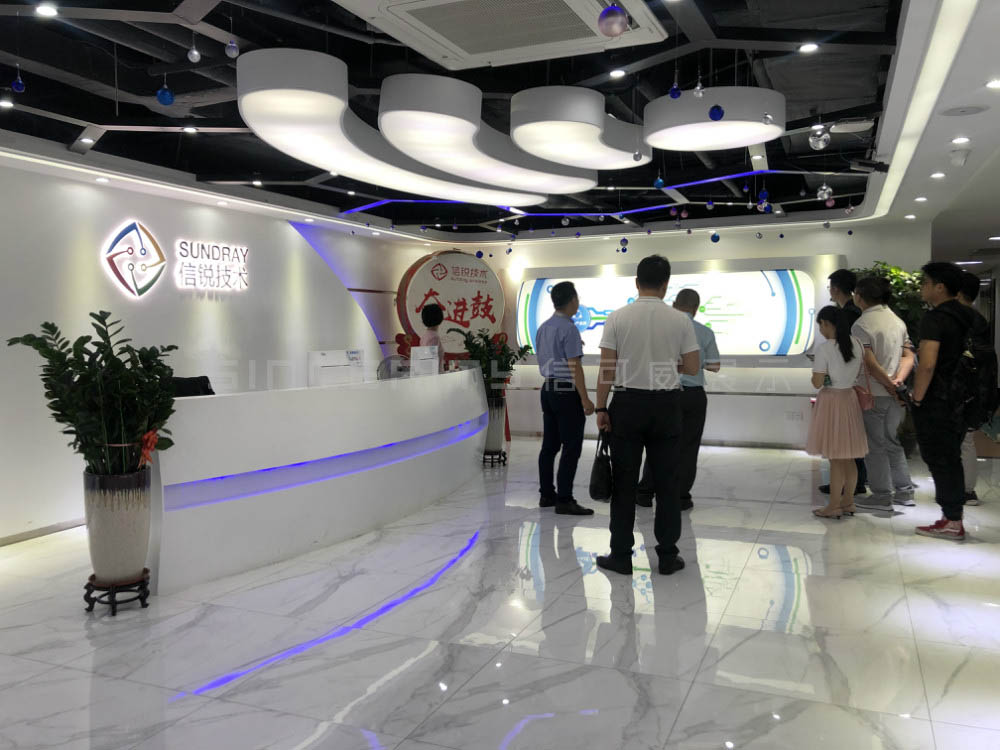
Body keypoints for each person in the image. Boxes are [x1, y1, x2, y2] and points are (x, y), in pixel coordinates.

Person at [594, 255, 700, 576]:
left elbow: (607, 369)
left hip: (627, 405)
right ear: (666, 285)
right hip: (667, 406)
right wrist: (667, 364)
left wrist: (601, 407)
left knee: (624, 483)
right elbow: (692, 366)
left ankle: (621, 556)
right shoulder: (680, 320)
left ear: (636, 283)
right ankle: (667, 556)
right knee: (667, 483)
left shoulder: (617, 318)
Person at [635, 288, 721, 510]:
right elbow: (715, 365)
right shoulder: (705, 332)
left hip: (663, 393)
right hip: (693, 396)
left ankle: (645, 493)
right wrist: (696, 364)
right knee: (688, 447)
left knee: (657, 444)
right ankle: (681, 497)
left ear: (674, 304)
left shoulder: (660, 329)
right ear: (696, 309)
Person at [911, 262, 975, 541]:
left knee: (940, 458)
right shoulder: (969, 316)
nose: (922, 288)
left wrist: (917, 399)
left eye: (925, 282)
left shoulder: (935, 319)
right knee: (951, 457)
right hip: (964, 397)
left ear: (939, 287)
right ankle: (952, 516)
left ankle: (952, 520)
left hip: (938, 399)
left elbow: (927, 365)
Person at [850, 276, 918, 512]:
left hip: (874, 393)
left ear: (860, 296)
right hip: (896, 394)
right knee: (892, 442)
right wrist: (898, 381)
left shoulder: (861, 324)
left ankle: (881, 495)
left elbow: (869, 362)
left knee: (875, 446)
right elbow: (909, 355)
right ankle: (905, 492)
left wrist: (888, 384)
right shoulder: (897, 321)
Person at [534, 281, 595, 516]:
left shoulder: (544, 327)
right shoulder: (569, 329)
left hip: (548, 389)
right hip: (566, 392)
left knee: (549, 447)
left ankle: (546, 495)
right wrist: (585, 399)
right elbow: (574, 366)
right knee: (571, 446)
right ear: (572, 300)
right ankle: (565, 499)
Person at [806, 306, 869, 518]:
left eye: (820, 325)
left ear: (826, 323)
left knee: (835, 458)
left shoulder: (825, 349)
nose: (820, 330)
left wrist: (821, 375)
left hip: (831, 402)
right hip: (849, 399)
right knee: (848, 457)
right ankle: (848, 502)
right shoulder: (857, 343)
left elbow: (817, 382)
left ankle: (833, 505)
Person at [820, 268, 868, 496]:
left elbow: (842, 353)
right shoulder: (856, 312)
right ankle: (850, 488)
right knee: (849, 443)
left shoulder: (847, 315)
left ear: (836, 288)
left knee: (841, 447)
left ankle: (846, 488)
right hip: (850, 389)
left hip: (840, 391)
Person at [957, 270, 991, 506]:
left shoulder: (959, 319)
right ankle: (967, 489)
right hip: (975, 387)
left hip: (961, 388)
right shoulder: (980, 320)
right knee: (966, 440)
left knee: (963, 441)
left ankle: (965, 489)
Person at [420, 303, 445, 373]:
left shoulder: (424, 336)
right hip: (435, 376)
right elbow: (431, 364)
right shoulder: (434, 337)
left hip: (429, 375)